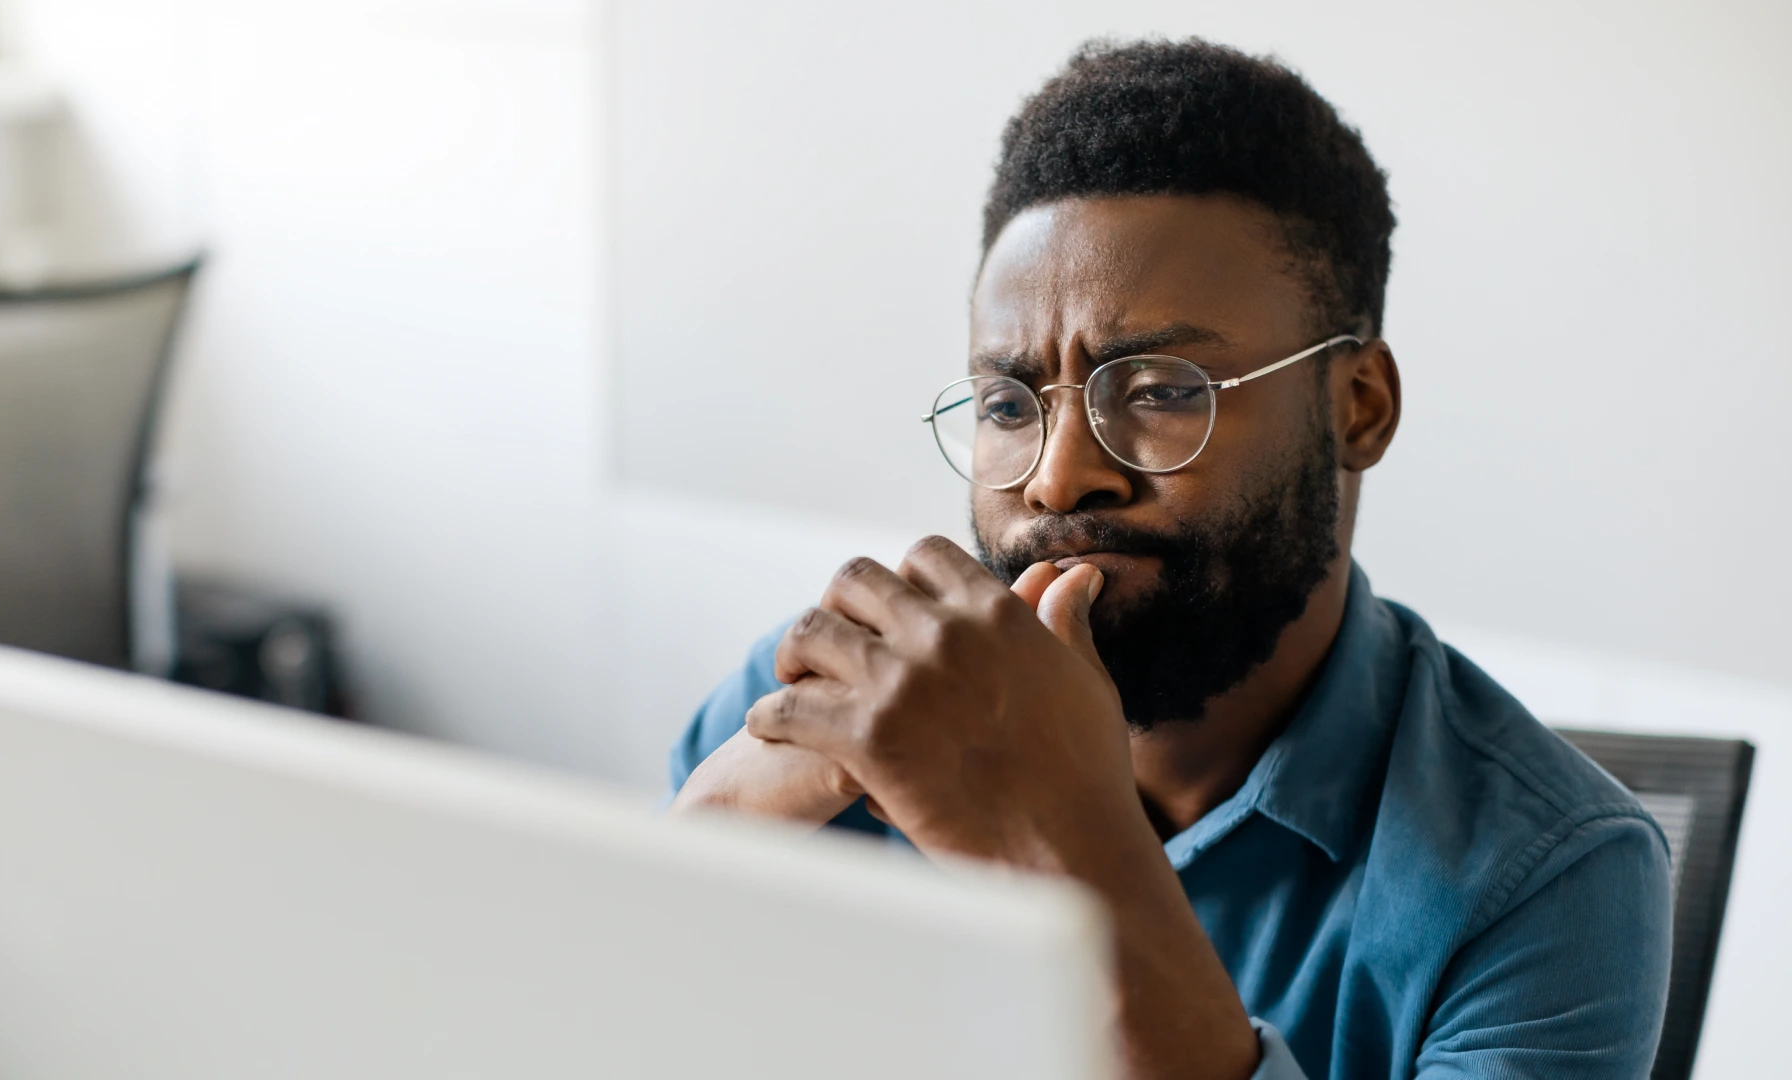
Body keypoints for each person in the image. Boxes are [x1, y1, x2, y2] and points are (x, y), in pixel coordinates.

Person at [666, 38, 1670, 1080]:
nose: (1058, 481)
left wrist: (1058, 843)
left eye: (1159, 391)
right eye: (1011, 404)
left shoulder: (1549, 878)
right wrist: (711, 831)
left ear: (1357, 407)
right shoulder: (821, 705)